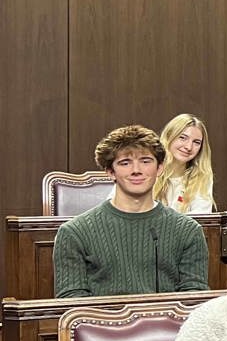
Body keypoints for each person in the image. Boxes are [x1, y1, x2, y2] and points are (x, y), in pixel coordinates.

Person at [53, 124, 209, 298]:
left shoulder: (188, 230)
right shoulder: (75, 232)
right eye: (125, 163)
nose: (136, 170)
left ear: (159, 168)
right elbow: (71, 303)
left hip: (170, 324)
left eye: (145, 161)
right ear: (111, 172)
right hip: (101, 324)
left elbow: (195, 298)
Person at [155, 113, 215, 213]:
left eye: (196, 142)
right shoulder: (148, 170)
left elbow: (200, 220)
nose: (189, 147)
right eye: (183, 138)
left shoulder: (202, 177)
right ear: (169, 137)